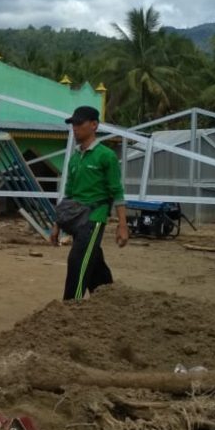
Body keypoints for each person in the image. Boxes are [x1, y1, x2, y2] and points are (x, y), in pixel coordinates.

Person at [50, 106, 128, 301]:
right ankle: (109, 299)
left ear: (94, 125)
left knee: (78, 261)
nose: (75, 128)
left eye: (79, 123)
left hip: (94, 218)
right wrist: (56, 224)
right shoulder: (75, 158)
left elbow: (117, 191)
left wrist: (122, 225)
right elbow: (68, 193)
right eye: (73, 124)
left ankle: (70, 307)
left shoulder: (106, 156)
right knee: (94, 262)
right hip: (76, 218)